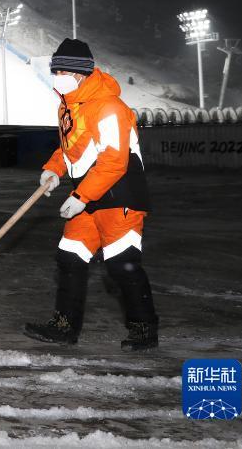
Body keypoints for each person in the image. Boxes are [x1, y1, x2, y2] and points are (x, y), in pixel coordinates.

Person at [25, 38, 158, 351]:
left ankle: (144, 329)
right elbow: (71, 149)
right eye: (54, 70)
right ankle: (64, 327)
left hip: (120, 195)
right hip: (87, 194)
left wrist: (81, 196)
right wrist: (53, 170)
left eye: (62, 71)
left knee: (121, 264)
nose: (56, 76)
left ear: (82, 74)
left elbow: (114, 161)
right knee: (69, 257)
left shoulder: (110, 107)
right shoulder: (69, 105)